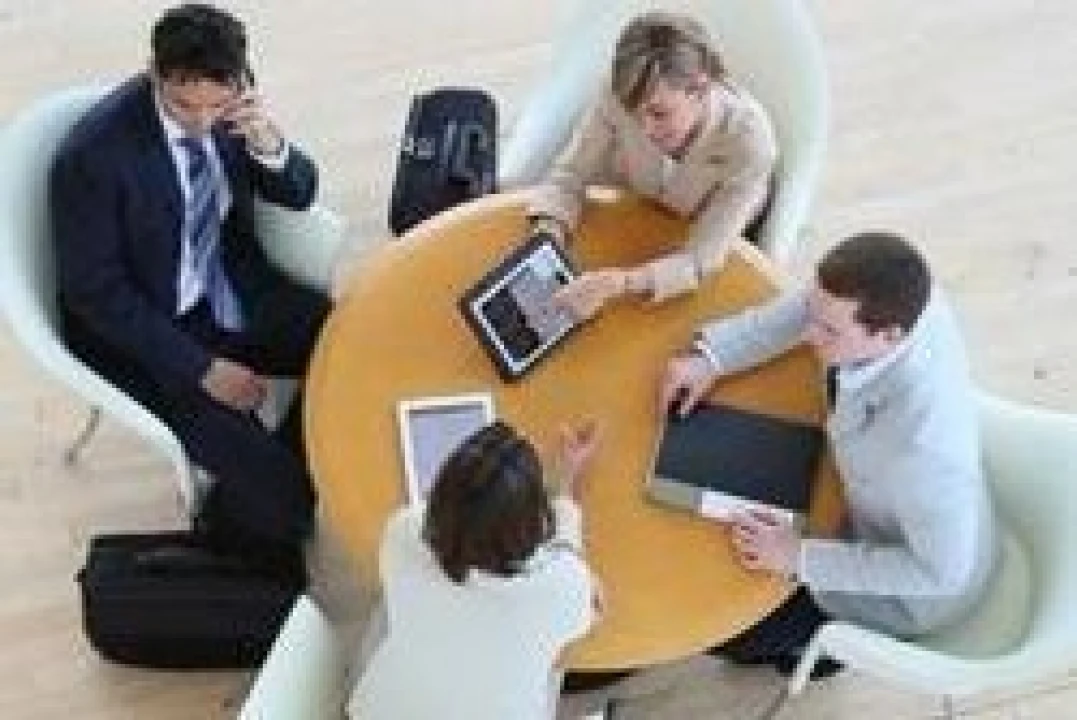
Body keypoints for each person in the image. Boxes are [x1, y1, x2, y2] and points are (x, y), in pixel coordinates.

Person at [51, 3, 329, 575]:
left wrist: (268, 144)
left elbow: (299, 193)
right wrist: (202, 369)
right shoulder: (93, 159)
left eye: (217, 106)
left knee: (344, 338)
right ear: (155, 73)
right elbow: (95, 294)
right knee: (289, 504)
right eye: (184, 106)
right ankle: (253, 504)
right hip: (147, 330)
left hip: (228, 286)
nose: (203, 122)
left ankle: (253, 486)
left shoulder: (235, 109)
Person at [660, 231, 998, 676]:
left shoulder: (926, 454)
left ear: (888, 335)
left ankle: (818, 658)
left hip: (906, 589)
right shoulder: (903, 295)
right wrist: (713, 357)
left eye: (829, 331)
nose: (808, 334)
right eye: (815, 315)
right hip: (878, 501)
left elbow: (940, 574)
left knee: (730, 633)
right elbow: (807, 308)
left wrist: (798, 557)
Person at [527, 11, 777, 321]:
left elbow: (700, 261)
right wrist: (547, 236)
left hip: (711, 239)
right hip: (639, 219)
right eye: (633, 112)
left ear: (700, 90)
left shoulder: (749, 143)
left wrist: (621, 283)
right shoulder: (618, 94)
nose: (644, 129)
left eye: (659, 114)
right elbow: (569, 176)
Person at [348, 421, 601, 719]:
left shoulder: (402, 531)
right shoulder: (559, 589)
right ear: (529, 529)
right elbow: (590, 603)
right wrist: (565, 496)